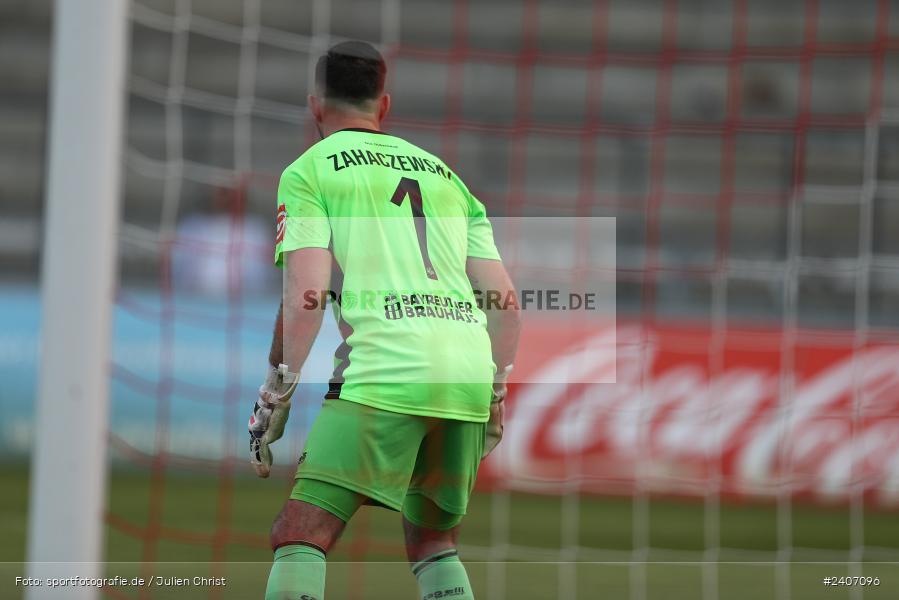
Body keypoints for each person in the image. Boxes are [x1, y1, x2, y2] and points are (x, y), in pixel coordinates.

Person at [247, 40, 520, 600]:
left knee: (300, 533)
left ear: (315, 105)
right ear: (385, 105)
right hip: (466, 373)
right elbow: (505, 300)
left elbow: (307, 295)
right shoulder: (447, 177)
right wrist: (493, 389)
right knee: (433, 542)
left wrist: (276, 393)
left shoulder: (310, 172)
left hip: (386, 369)